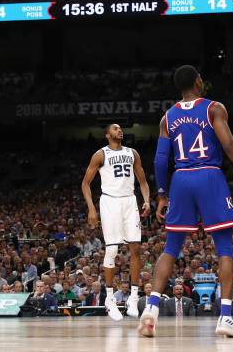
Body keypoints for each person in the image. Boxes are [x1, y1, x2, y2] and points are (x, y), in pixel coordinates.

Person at [138, 65, 233, 338]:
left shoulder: (167, 117)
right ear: (198, 81)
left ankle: (151, 309)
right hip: (209, 175)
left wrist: (162, 194)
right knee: (224, 249)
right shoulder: (213, 108)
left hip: (181, 179)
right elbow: (230, 145)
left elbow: (161, 160)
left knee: (170, 248)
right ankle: (226, 317)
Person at [81, 123, 151, 320]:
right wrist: (91, 208)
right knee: (112, 250)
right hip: (109, 201)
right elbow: (85, 184)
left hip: (129, 200)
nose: (119, 130)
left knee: (136, 248)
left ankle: (134, 297)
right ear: (107, 135)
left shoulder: (132, 153)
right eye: (115, 128)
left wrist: (146, 200)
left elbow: (143, 181)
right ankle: (110, 299)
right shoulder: (100, 154)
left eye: (120, 128)